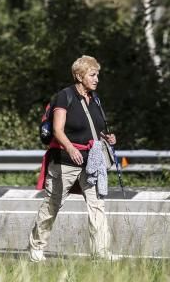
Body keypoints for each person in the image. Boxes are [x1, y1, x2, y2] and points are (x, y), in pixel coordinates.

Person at [28, 55, 118, 261]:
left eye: (97, 75)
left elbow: (95, 128)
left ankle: (101, 252)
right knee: (53, 203)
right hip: (64, 161)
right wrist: (70, 148)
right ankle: (36, 246)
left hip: (91, 162)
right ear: (79, 76)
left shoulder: (94, 98)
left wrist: (107, 137)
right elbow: (58, 130)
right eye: (92, 75)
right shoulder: (64, 97)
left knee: (97, 205)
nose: (97, 79)